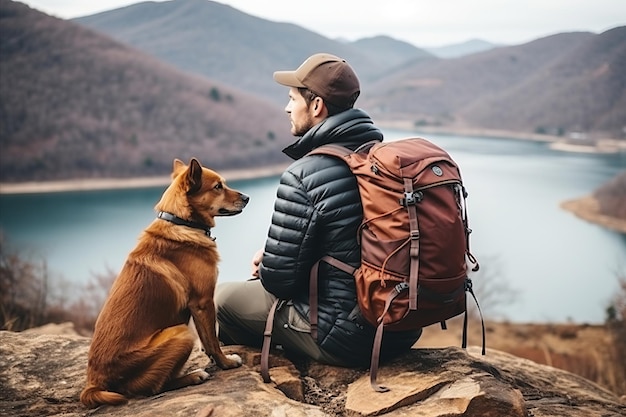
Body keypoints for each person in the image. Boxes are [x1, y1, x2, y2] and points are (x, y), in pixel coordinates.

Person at [215, 53, 422, 367]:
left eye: (291, 98)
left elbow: (280, 282)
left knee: (223, 299)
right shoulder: (380, 161)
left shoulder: (304, 174)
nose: (286, 108)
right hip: (402, 327)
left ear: (316, 106)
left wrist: (268, 262)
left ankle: (254, 366)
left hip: (347, 339)